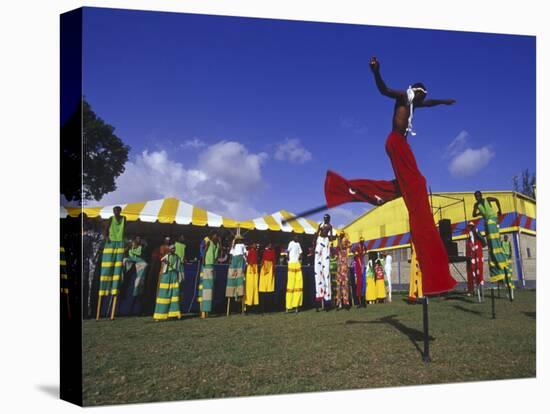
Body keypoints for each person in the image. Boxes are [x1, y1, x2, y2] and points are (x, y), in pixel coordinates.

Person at [324, 56, 457, 296]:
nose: (422, 102)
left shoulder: (415, 102)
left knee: (402, 187)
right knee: (417, 182)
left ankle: (346, 188)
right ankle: (353, 188)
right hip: (396, 143)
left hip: (398, 144)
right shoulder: (404, 96)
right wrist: (376, 71)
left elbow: (430, 103)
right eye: (422, 97)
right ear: (416, 91)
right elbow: (383, 90)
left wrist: (444, 102)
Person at [472, 191, 512, 299]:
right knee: (488, 231)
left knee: (489, 224)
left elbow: (497, 200)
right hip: (486, 221)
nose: (477, 198)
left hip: (492, 218)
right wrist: (480, 214)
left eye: (478, 196)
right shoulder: (476, 205)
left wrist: (500, 210)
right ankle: (493, 254)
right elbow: (473, 214)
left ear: (481, 195)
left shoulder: (488, 199)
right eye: (476, 197)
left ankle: (498, 251)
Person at [97, 206, 126, 319]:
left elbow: (123, 229)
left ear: (120, 211)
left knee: (117, 270)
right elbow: (105, 228)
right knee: (107, 268)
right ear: (113, 212)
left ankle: (114, 291)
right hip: (111, 243)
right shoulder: (110, 218)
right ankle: (103, 292)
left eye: (118, 210)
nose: (116, 212)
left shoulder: (124, 218)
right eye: (115, 211)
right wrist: (106, 237)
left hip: (119, 243)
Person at [153, 244, 184, 321]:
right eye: (172, 249)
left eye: (174, 249)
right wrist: (166, 262)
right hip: (166, 275)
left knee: (174, 294)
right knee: (164, 294)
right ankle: (159, 315)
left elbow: (180, 264)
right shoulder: (167, 256)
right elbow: (162, 259)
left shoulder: (177, 257)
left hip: (174, 275)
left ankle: (174, 313)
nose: (173, 250)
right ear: (169, 250)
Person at [314, 214, 337, 309]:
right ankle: (319, 295)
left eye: (327, 219)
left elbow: (330, 236)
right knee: (317, 266)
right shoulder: (320, 224)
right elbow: (317, 233)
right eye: (325, 218)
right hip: (320, 241)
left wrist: (334, 238)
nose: (326, 220)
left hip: (326, 241)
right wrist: (314, 239)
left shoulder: (330, 226)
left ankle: (327, 298)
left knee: (326, 268)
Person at [123, 236, 148, 315]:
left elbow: (138, 255)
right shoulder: (129, 253)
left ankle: (137, 310)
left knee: (138, 290)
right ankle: (131, 310)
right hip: (132, 275)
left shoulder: (139, 250)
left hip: (139, 273)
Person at [198, 231, 220, 318]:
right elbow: (203, 250)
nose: (216, 237)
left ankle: (207, 311)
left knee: (210, 288)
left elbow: (216, 256)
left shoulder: (216, 244)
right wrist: (203, 260)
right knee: (205, 288)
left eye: (217, 236)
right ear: (212, 235)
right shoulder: (207, 241)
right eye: (215, 235)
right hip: (206, 265)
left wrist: (219, 243)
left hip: (211, 266)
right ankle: (203, 311)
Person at [226, 235, 246, 311]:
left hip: (237, 263)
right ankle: (235, 295)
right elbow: (232, 256)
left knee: (237, 281)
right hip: (236, 263)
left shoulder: (238, 246)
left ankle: (237, 296)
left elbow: (243, 255)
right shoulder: (237, 245)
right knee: (237, 281)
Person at [465, 221, 485, 294]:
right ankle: (472, 289)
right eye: (469, 226)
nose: (469, 228)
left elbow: (483, 241)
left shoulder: (475, 232)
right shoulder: (469, 236)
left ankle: (480, 289)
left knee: (478, 270)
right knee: (472, 271)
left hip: (476, 253)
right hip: (471, 255)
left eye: (470, 226)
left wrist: (476, 246)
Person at [286, 235, 303, 313]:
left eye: (297, 237)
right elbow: (288, 251)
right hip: (292, 263)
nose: (297, 238)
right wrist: (287, 259)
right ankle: (288, 306)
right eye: (295, 237)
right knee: (290, 285)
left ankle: (296, 305)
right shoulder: (291, 243)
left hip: (297, 264)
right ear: (293, 238)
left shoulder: (298, 244)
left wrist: (300, 259)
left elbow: (300, 253)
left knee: (298, 284)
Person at [259, 242, 277, 312]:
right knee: (263, 289)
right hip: (264, 268)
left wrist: (274, 269)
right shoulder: (264, 251)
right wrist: (261, 267)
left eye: (271, 244)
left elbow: (274, 260)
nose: (270, 245)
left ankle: (269, 307)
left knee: (270, 289)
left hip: (270, 268)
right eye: (268, 244)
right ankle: (262, 308)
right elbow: (263, 260)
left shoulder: (273, 252)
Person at [335, 232, 351, 310]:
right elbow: (337, 250)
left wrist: (341, 243)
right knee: (339, 285)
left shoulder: (345, 240)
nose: (340, 236)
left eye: (341, 235)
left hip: (344, 264)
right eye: (340, 235)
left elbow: (348, 246)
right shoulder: (338, 242)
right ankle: (339, 303)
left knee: (345, 284)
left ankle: (346, 303)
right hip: (339, 265)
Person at [352, 237, 367, 307]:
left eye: (363, 241)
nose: (362, 243)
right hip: (359, 270)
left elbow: (366, 250)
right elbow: (352, 249)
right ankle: (360, 302)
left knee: (363, 285)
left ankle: (363, 301)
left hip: (362, 268)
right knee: (359, 285)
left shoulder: (363, 247)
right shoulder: (356, 260)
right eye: (361, 242)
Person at [245, 242, 260, 309]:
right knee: (249, 285)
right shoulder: (250, 251)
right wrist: (250, 263)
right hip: (251, 268)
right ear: (251, 245)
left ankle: (255, 302)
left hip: (255, 267)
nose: (255, 245)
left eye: (255, 244)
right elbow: (248, 260)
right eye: (254, 244)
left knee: (255, 285)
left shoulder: (256, 252)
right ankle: (248, 302)